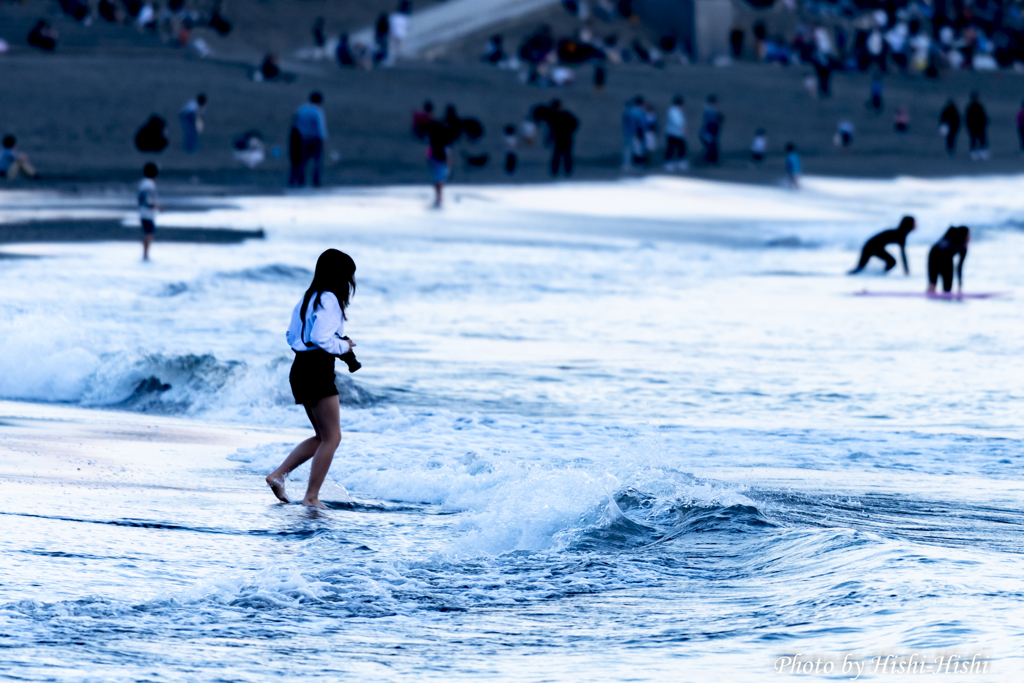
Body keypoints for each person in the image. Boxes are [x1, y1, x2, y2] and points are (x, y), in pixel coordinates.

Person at [267, 249, 358, 508]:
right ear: (340, 275)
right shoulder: (330, 299)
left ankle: (278, 475)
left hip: (300, 368)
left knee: (321, 436)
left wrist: (331, 344)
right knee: (332, 437)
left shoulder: (308, 298)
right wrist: (344, 347)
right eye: (349, 274)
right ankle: (311, 497)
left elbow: (290, 336)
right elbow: (321, 338)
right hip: (317, 369)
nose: (350, 281)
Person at [848, 215, 916, 275]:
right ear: (908, 224)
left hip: (872, 246)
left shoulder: (900, 233)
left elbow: (903, 254)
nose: (915, 225)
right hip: (870, 247)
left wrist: (906, 270)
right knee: (891, 262)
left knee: (891, 262)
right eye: (914, 223)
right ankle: (880, 275)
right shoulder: (900, 234)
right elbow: (903, 254)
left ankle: (880, 274)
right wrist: (906, 270)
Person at [290, 92, 328, 187]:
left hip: (303, 138)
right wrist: (323, 140)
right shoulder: (317, 111)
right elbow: (321, 127)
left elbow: (296, 123)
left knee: (303, 161)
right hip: (316, 139)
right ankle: (316, 182)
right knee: (317, 162)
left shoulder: (301, 109)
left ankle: (301, 181)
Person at [424, 107, 453, 207]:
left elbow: (429, 151)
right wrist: (448, 164)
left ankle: (438, 198)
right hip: (439, 159)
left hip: (435, 159)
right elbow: (447, 152)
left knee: (438, 180)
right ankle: (439, 198)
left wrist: (429, 159)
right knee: (439, 180)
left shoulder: (434, 139)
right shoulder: (443, 140)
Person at [927, 226, 969, 294]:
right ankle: (929, 299)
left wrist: (960, 285)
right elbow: (938, 248)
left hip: (947, 259)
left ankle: (945, 302)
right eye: (968, 235)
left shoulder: (963, 248)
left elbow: (959, 266)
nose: (969, 238)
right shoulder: (951, 235)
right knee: (933, 284)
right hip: (934, 256)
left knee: (947, 289)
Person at [547, 99, 578, 177]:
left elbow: (575, 123)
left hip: (566, 139)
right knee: (557, 156)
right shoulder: (554, 117)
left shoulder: (566, 115)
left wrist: (568, 131)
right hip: (559, 139)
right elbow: (552, 130)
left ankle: (567, 171)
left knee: (566, 156)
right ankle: (555, 172)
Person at [138, 163, 160, 261]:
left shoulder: (143, 183)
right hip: (147, 212)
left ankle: (145, 254)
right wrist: (156, 206)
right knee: (149, 234)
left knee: (148, 233)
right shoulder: (149, 184)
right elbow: (148, 200)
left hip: (143, 211)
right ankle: (145, 255)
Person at [664, 96, 687, 171]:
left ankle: (679, 162)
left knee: (680, 148)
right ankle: (669, 163)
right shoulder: (673, 111)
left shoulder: (677, 111)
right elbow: (677, 122)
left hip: (678, 134)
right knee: (672, 148)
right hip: (673, 134)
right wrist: (683, 127)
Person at [965, 92, 989, 161]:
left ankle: (978, 153)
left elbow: (983, 117)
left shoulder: (973, 107)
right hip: (976, 127)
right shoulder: (976, 107)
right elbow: (968, 118)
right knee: (976, 140)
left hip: (977, 127)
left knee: (978, 140)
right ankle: (977, 154)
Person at [699, 95, 722, 165]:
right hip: (708, 134)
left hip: (708, 133)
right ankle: (706, 162)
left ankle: (707, 161)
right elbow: (711, 123)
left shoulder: (709, 110)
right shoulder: (709, 111)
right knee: (711, 148)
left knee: (711, 148)